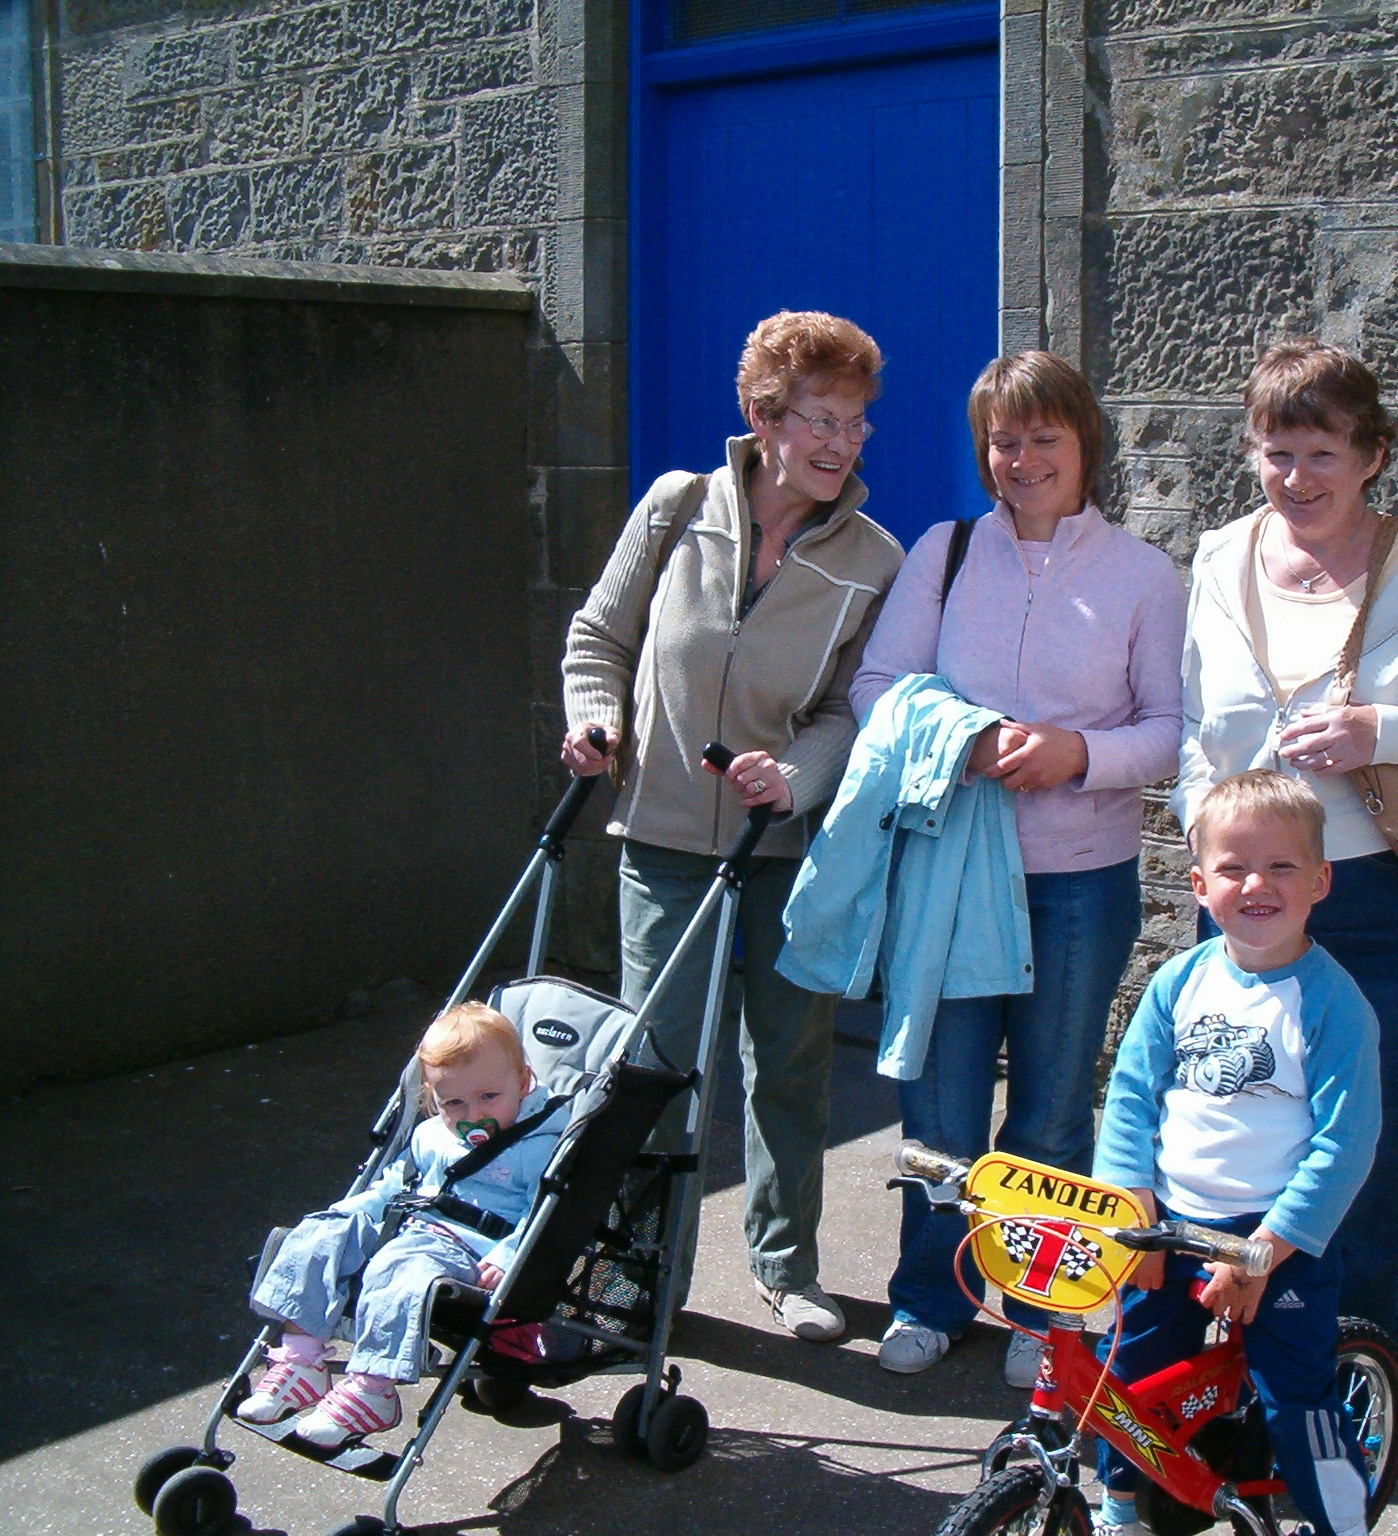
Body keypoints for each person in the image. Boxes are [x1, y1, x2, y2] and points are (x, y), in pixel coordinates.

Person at [1175, 338, 1398, 1357]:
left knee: (1360, 1159)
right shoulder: (1217, 560)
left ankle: (1355, 1377)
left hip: (1379, 910)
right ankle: (1246, 1368)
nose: (1295, 479)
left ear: (1370, 454)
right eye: (1274, 452)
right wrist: (1205, 843)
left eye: (1320, 454)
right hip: (1246, 909)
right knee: (1238, 1143)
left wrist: (1385, 732)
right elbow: (1192, 726)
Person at [559, 311, 903, 1343]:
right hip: (660, 841)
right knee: (652, 1067)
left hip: (782, 851)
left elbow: (851, 707)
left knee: (789, 1068)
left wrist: (792, 777)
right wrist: (597, 718)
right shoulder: (676, 507)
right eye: (820, 420)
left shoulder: (873, 558)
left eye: (856, 422)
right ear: (761, 417)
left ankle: (787, 1268)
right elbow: (598, 637)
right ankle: (635, 1269)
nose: (841, 442)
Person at [849, 350, 1185, 1382]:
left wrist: (1080, 754)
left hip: (1081, 877)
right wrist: (963, 743)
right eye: (1003, 440)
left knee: (1048, 1105)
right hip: (951, 867)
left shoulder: (1141, 574)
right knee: (941, 1103)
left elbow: (1174, 731)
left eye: (1044, 437)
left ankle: (1042, 1310)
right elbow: (876, 687)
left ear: (1085, 443)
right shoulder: (942, 554)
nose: (1023, 457)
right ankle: (931, 1296)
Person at [1093, 770, 1381, 1536]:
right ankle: (1122, 1503)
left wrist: (1264, 1253)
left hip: (1276, 1236)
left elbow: (1343, 1146)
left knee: (1297, 1396)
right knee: (1131, 1376)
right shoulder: (1177, 981)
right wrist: (1130, 1211)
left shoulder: (1331, 1004)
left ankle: (1339, 1521)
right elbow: (1130, 1099)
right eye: (1233, 868)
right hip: (1169, 1221)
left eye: (1282, 866)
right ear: (1198, 884)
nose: (1257, 884)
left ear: (1320, 879)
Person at [239, 1004, 568, 1447]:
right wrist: (350, 1213)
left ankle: (373, 1389)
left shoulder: (540, 1145)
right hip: (408, 1223)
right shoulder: (432, 1135)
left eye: (489, 1097)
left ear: (523, 1083)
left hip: (465, 1247)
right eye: (454, 1102)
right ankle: (301, 1360)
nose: (472, 1114)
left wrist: (509, 1253)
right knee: (316, 1233)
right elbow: (395, 1183)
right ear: (434, 1097)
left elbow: (541, 1213)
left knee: (398, 1266)